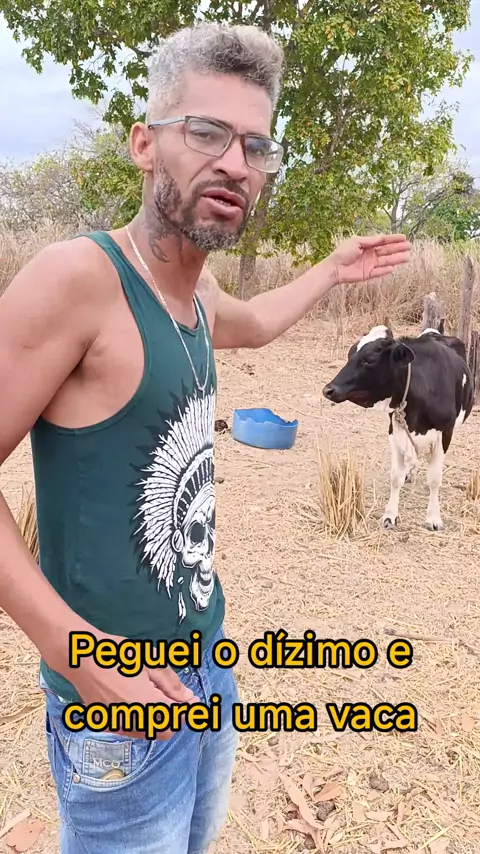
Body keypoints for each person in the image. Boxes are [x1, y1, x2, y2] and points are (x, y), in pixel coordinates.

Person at [0, 20, 411, 854]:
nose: (234, 162)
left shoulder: (195, 294)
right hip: (112, 707)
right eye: (206, 132)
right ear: (143, 144)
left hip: (207, 669)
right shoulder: (78, 280)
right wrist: (76, 656)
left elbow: (254, 323)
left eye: (256, 146)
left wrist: (332, 269)